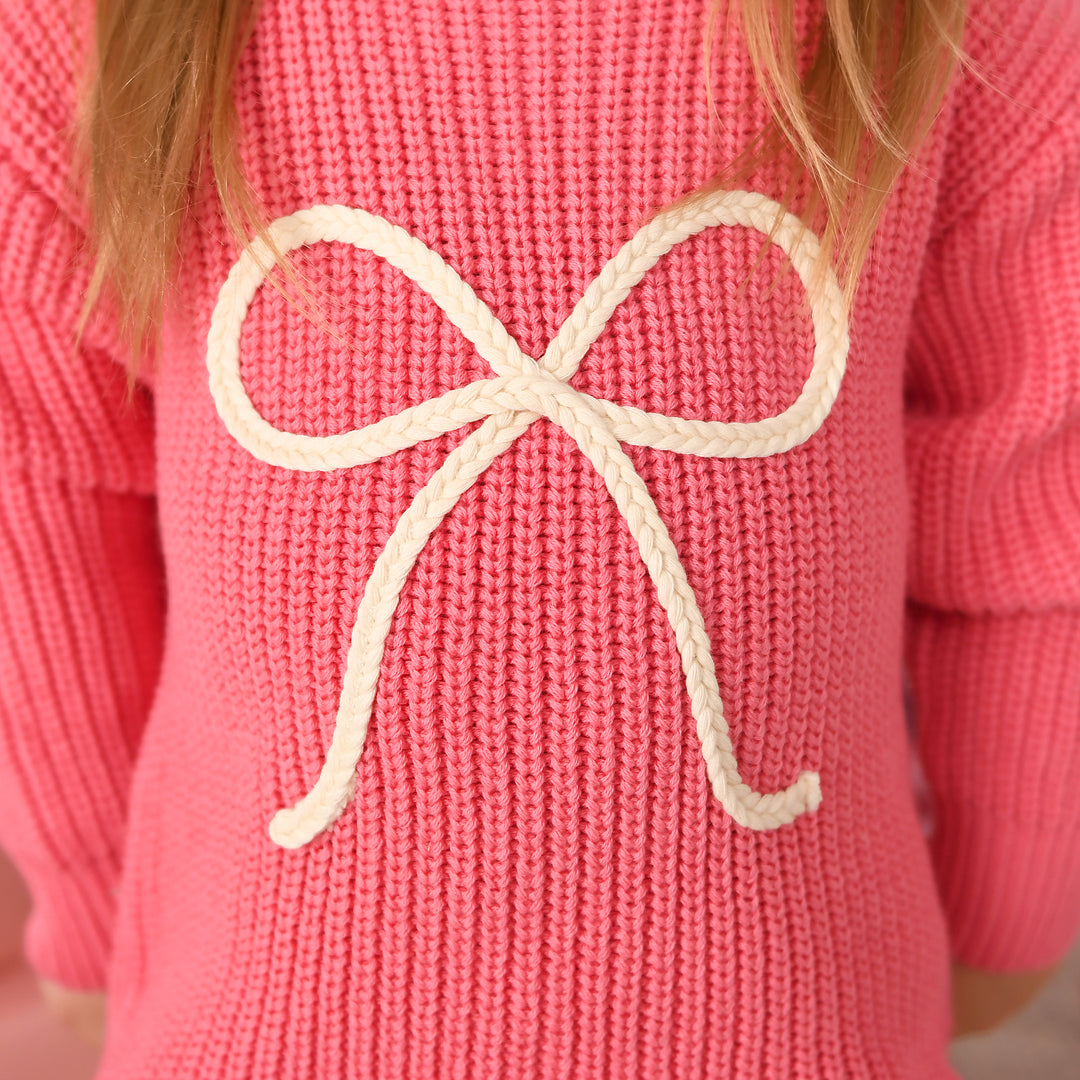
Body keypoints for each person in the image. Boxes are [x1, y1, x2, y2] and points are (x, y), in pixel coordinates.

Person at [0, 0, 1077, 1076]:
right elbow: (43, 501)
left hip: (802, 1025)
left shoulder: (964, 26)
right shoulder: (81, 30)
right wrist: (91, 884)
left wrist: (1014, 880)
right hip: (243, 1022)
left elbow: (1028, 484)